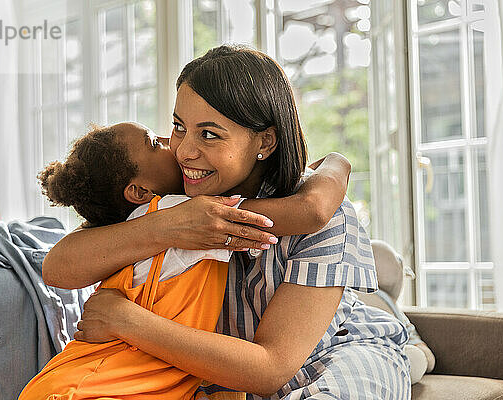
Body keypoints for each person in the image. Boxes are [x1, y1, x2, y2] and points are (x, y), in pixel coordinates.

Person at [44, 45, 411, 399]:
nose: (183, 151)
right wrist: (172, 225)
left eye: (209, 134)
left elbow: (269, 369)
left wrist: (126, 320)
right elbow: (59, 267)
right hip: (219, 377)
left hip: (330, 356)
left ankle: (401, 329)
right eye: (178, 126)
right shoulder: (171, 198)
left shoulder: (325, 213)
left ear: (264, 141)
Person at [20, 122, 353, 399]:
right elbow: (308, 212)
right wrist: (337, 162)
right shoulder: (182, 212)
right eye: (154, 143)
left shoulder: (124, 225)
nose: (172, 145)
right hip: (92, 384)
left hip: (91, 381)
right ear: (139, 191)